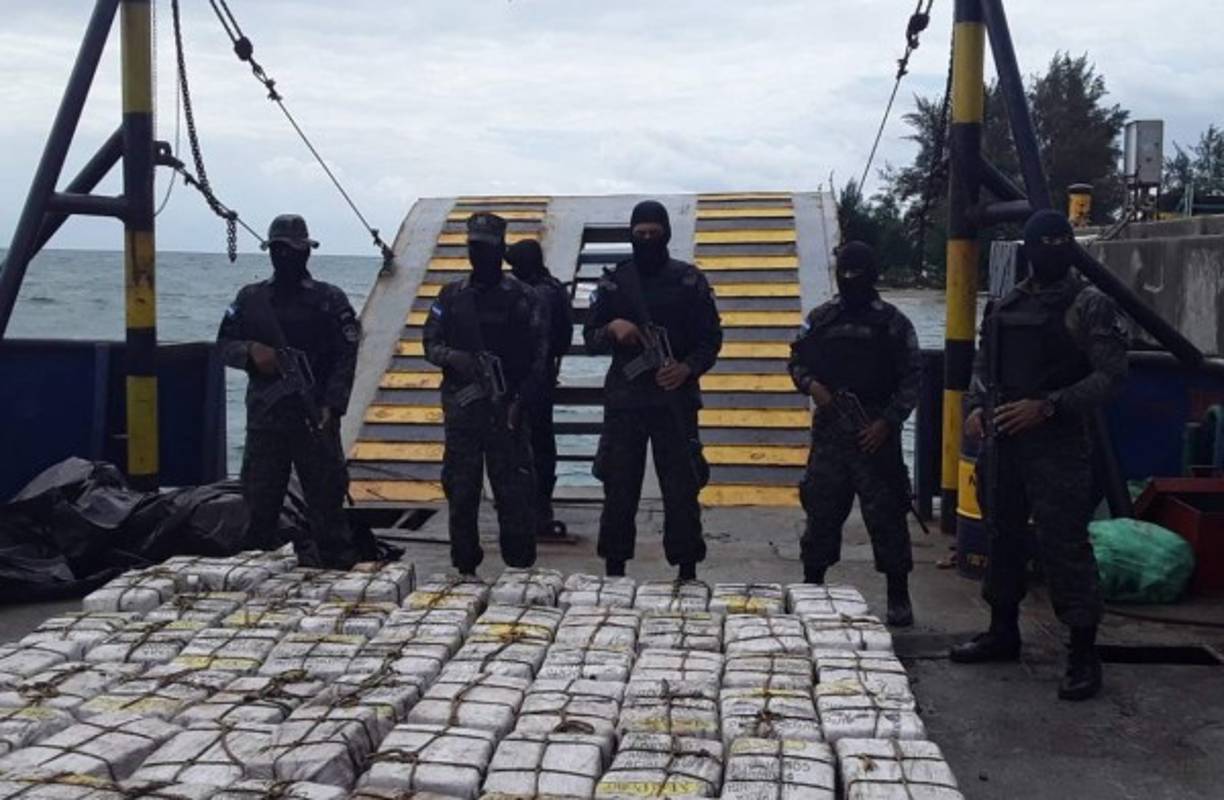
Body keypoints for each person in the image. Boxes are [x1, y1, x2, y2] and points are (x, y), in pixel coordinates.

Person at [950, 210, 1128, 701]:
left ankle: (1082, 653)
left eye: (1060, 240)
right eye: (1043, 241)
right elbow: (984, 366)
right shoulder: (1007, 304)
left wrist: (1048, 407)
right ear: (1027, 247)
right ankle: (1002, 630)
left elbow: (1110, 377)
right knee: (1001, 536)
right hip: (1003, 443)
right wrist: (977, 408)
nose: (1052, 248)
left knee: (1064, 545)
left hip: (1059, 445)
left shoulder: (1089, 304)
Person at [583, 200, 723, 580]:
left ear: (666, 235)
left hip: (674, 402)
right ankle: (614, 569)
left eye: (653, 234)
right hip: (626, 403)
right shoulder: (614, 282)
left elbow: (711, 340)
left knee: (681, 489)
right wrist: (613, 328)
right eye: (639, 234)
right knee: (618, 489)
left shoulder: (689, 281)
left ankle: (687, 568)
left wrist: (686, 368)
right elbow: (589, 337)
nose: (646, 240)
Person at [788, 241, 923, 626]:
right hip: (831, 433)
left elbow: (913, 377)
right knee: (821, 512)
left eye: (855, 274)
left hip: (874, 433)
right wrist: (812, 385)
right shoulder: (822, 318)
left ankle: (898, 594)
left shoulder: (893, 323)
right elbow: (795, 360)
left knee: (888, 516)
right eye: (843, 273)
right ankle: (812, 585)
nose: (849, 280)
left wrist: (888, 421)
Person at [217, 214, 361, 569]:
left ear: (307, 252)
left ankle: (334, 574)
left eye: (295, 251)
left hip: (315, 419)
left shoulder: (329, 299)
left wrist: (333, 405)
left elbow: (347, 355)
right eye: (281, 250)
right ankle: (257, 578)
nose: (288, 258)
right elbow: (223, 345)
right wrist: (252, 353)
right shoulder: (251, 299)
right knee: (258, 509)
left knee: (327, 507)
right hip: (266, 422)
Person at [423, 212, 548, 576]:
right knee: (461, 494)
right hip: (463, 415)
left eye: (487, 248)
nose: (479, 254)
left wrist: (519, 402)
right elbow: (429, 344)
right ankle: (465, 567)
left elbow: (540, 360)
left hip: (507, 412)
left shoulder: (524, 298)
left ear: (500, 250)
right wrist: (456, 358)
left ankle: (520, 570)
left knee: (515, 496)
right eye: (474, 247)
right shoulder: (451, 295)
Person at [505, 238, 574, 539]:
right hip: (543, 377)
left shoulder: (532, 294)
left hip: (525, 380)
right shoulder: (554, 289)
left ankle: (531, 507)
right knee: (542, 442)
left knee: (524, 446)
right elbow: (563, 339)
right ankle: (538, 505)